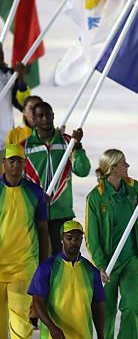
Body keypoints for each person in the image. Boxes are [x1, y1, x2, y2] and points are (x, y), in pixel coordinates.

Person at [85, 149, 138, 339]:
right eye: (124, 163)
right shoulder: (96, 197)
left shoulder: (134, 189)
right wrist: (99, 265)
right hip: (108, 265)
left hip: (132, 260)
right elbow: (91, 235)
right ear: (112, 168)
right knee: (106, 312)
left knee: (130, 309)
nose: (128, 165)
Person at [0, 144, 48, 339]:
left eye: (19, 161)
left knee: (20, 314)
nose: (16, 165)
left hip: (23, 263)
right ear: (4, 163)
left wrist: (44, 264)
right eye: (11, 161)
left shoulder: (35, 193)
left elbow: (42, 230)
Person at [23, 101, 91, 254]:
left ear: (53, 116)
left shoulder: (68, 142)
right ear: (33, 119)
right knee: (37, 258)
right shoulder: (25, 147)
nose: (45, 118)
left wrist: (78, 147)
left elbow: (83, 170)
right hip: (34, 212)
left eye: (48, 115)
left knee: (64, 259)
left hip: (62, 212)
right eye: (40, 115)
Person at [0, 42, 30, 167]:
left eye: (1, 51)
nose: (0, 55)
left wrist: (21, 78)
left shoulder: (10, 75)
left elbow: (23, 103)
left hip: (5, 141)